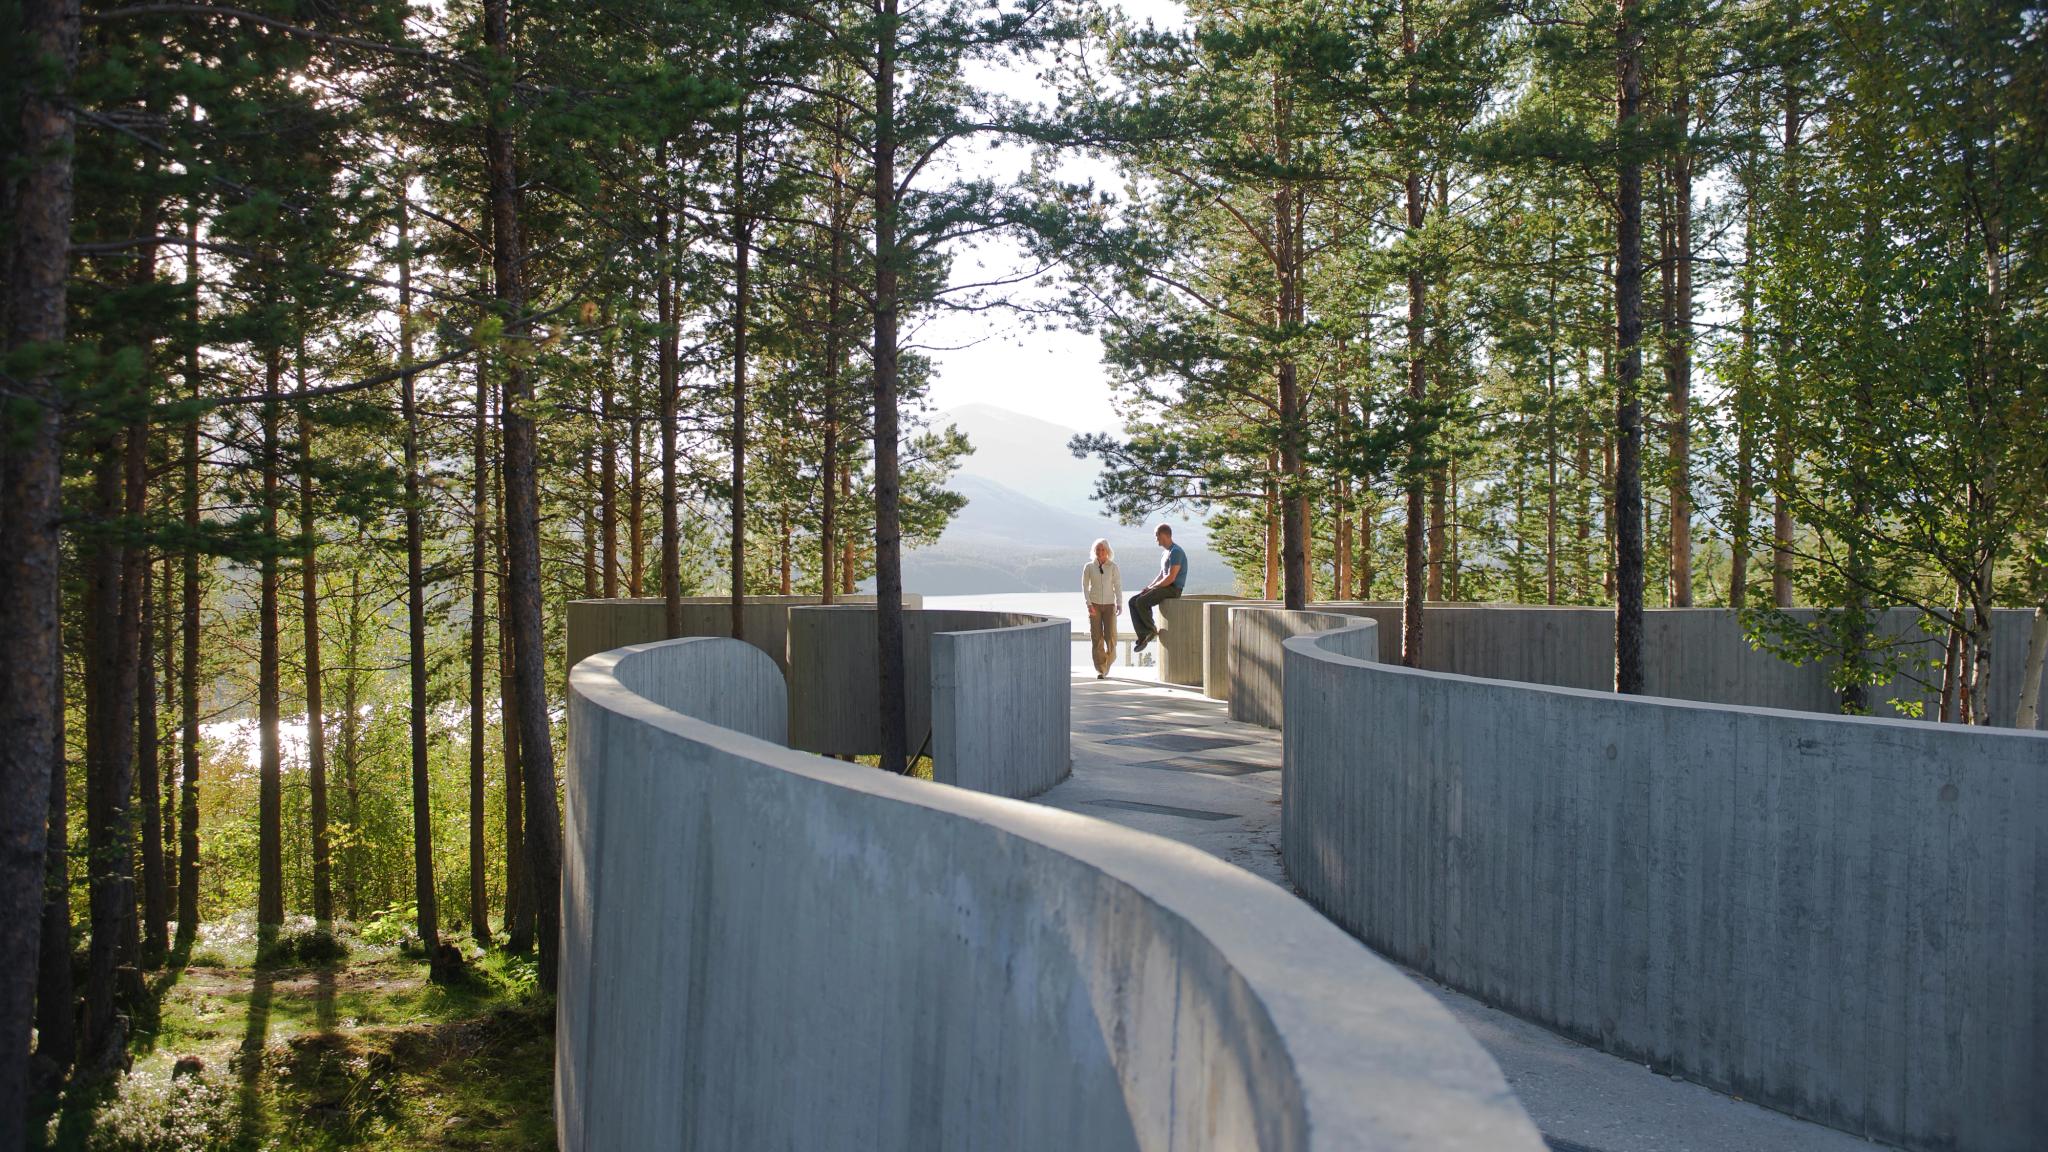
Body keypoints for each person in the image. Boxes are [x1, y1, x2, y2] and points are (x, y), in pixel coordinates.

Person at [1129, 524, 1187, 653]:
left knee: (1141, 602)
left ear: (1163, 535)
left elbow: (1171, 577)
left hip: (1173, 589)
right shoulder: (1165, 553)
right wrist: (1149, 587)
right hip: (1165, 585)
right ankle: (1143, 635)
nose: (1156, 539)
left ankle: (1151, 630)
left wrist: (1153, 588)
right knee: (1133, 601)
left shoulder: (1176, 551)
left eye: (1157, 536)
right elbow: (1161, 574)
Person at [1081, 538, 1122, 679]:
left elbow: (1118, 586)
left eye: (1103, 549)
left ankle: (1107, 662)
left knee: (1111, 637)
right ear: (1094, 551)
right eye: (1097, 549)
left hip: (1110, 605)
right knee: (1096, 637)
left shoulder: (1113, 567)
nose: (1100, 552)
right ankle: (1101, 669)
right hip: (1095, 605)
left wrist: (1120, 603)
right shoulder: (1089, 567)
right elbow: (1085, 587)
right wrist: (1089, 604)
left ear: (1108, 551)